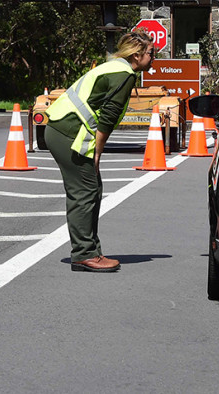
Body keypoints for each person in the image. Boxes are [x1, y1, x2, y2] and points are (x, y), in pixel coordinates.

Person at [44, 30, 155, 272]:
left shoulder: (114, 67)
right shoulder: (124, 75)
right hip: (69, 133)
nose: (153, 57)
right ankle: (84, 254)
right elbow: (108, 117)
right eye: (150, 53)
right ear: (136, 55)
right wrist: (97, 152)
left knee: (91, 188)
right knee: (84, 191)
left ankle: (90, 250)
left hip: (60, 128)